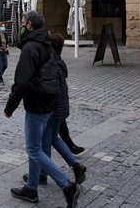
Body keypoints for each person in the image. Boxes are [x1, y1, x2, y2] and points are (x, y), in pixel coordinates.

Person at [4, 11, 81, 207]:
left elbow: (22, 81)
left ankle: (66, 185)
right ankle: (32, 187)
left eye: (22, 22)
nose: (21, 25)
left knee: (33, 148)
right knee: (37, 146)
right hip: (49, 102)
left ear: (29, 25)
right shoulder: (47, 44)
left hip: (37, 103)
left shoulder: (31, 47)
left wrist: (10, 107)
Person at [23, 33, 86, 187]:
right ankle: (76, 165)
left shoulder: (52, 64)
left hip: (53, 109)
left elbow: (52, 90)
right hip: (61, 107)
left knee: (44, 143)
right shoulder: (59, 63)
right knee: (53, 138)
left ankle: (43, 175)